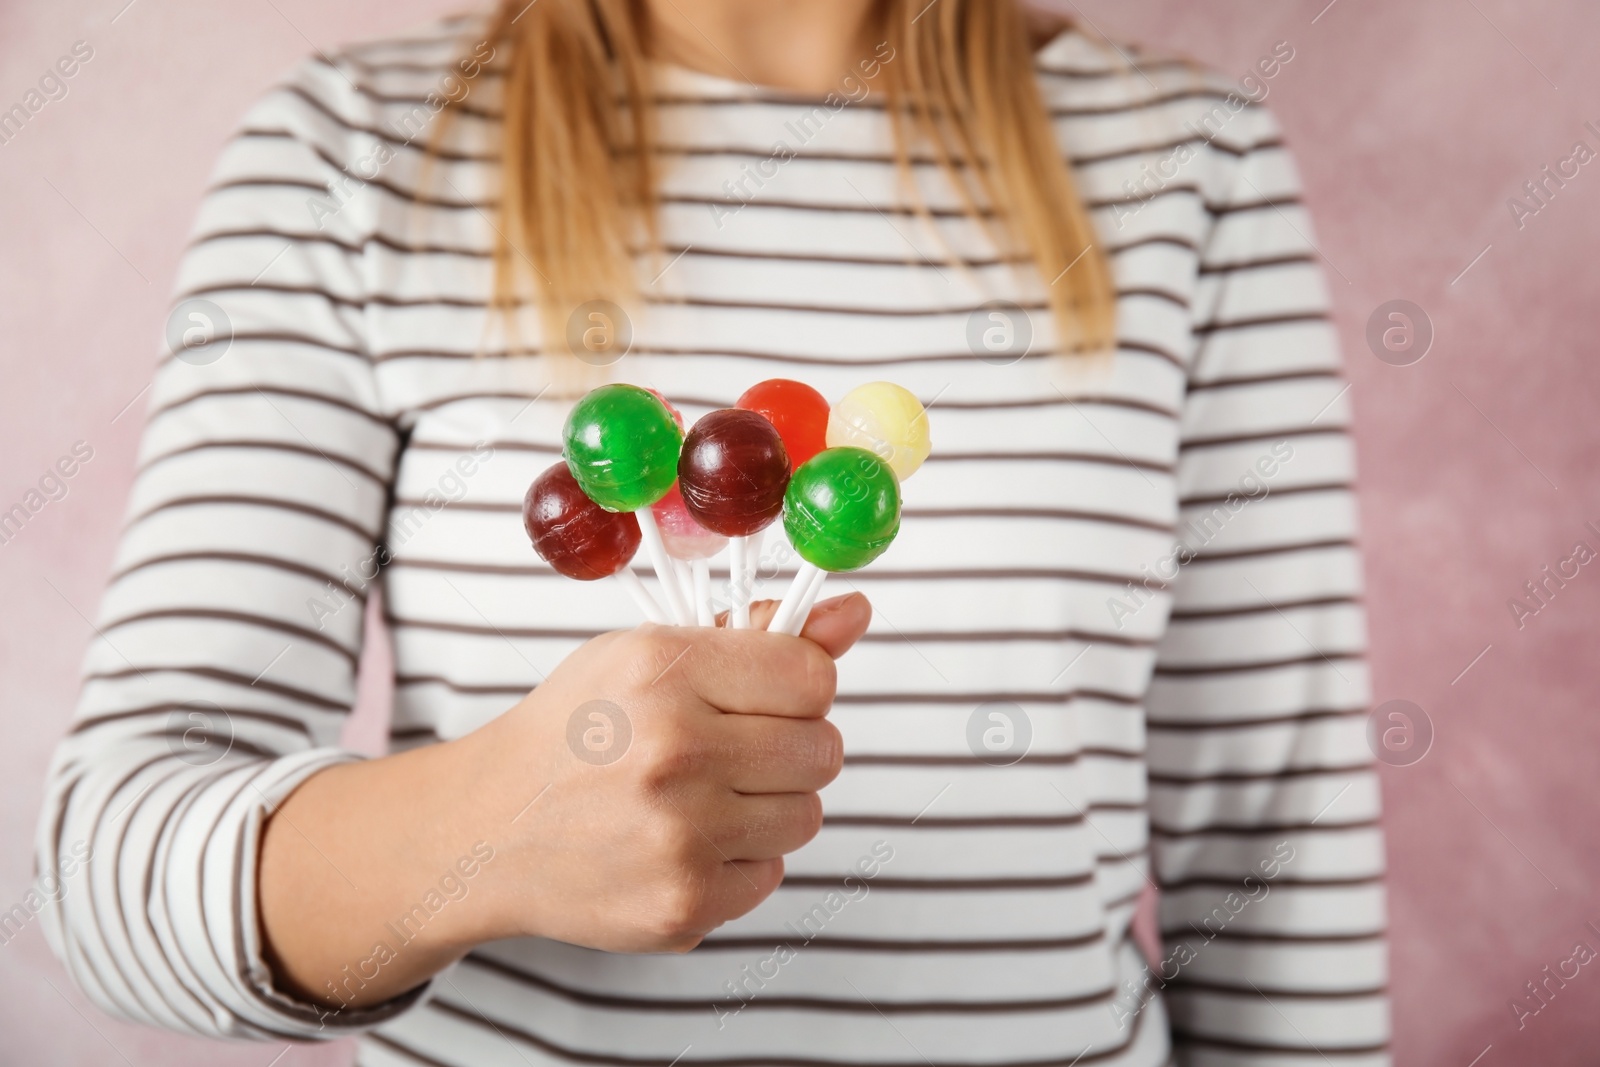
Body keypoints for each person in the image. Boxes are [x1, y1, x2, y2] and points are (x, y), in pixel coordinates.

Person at [35, 1, 1390, 1064]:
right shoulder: (354, 151)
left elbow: (1280, 861)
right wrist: (486, 828)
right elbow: (107, 873)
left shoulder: (1193, 163)